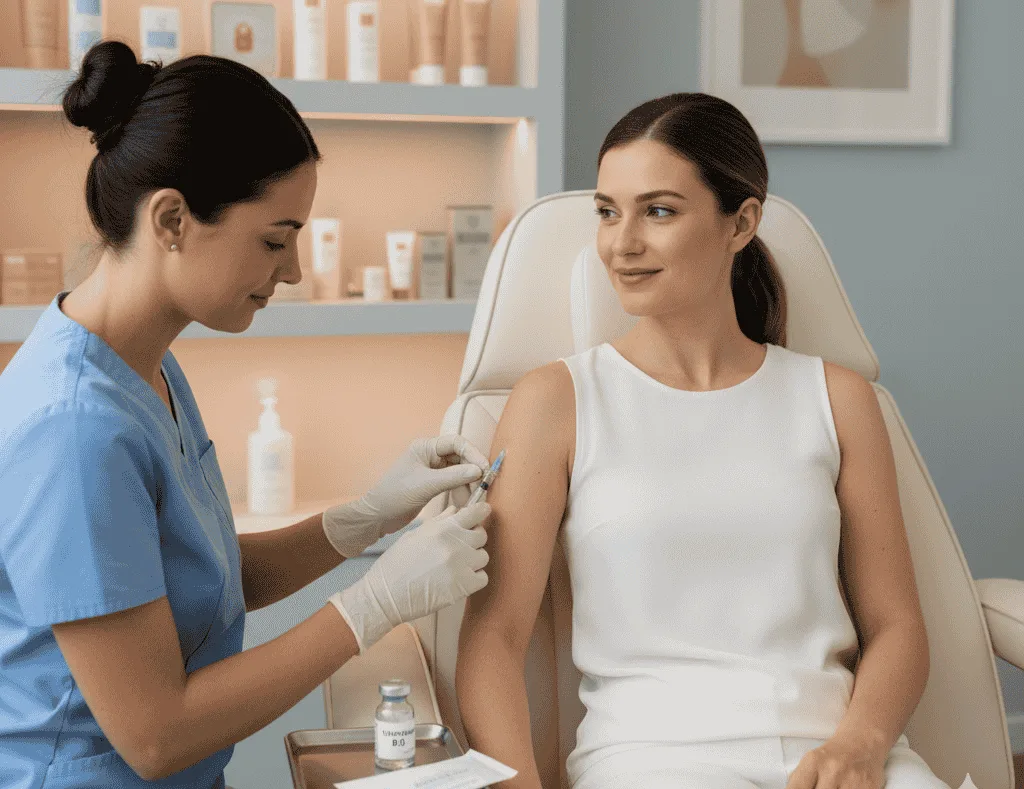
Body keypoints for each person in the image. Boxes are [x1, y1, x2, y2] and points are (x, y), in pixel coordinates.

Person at [0, 41, 492, 789]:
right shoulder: (75, 427)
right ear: (171, 219)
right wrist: (374, 602)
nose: (291, 271)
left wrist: (363, 517)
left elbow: (202, 574)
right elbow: (157, 735)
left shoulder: (146, 366)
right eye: (275, 240)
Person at [455, 93, 952, 789]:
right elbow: (494, 639)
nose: (621, 243)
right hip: (654, 760)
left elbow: (897, 625)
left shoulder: (837, 398)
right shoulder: (558, 401)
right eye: (606, 211)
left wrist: (862, 746)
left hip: (840, 757)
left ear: (741, 221)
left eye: (657, 210)